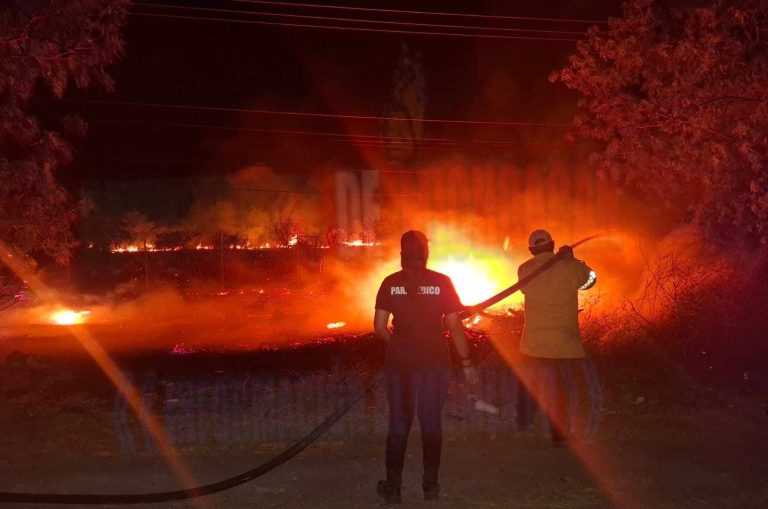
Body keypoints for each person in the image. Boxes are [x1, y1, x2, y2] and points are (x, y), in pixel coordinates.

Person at [373, 230, 478, 504]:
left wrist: (398, 344)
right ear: (426, 253)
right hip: (434, 363)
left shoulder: (390, 283)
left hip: (399, 364)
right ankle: (430, 486)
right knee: (430, 422)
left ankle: (393, 488)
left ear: (401, 254)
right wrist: (466, 363)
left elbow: (380, 327)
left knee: (398, 423)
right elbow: (455, 327)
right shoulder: (442, 282)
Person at [515, 229, 598, 445]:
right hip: (563, 343)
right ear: (552, 245)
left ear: (531, 250)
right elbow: (591, 281)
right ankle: (558, 435)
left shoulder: (524, 269)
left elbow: (525, 288)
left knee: (530, 382)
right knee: (560, 390)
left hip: (534, 342)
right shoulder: (570, 268)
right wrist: (573, 260)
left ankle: (524, 420)